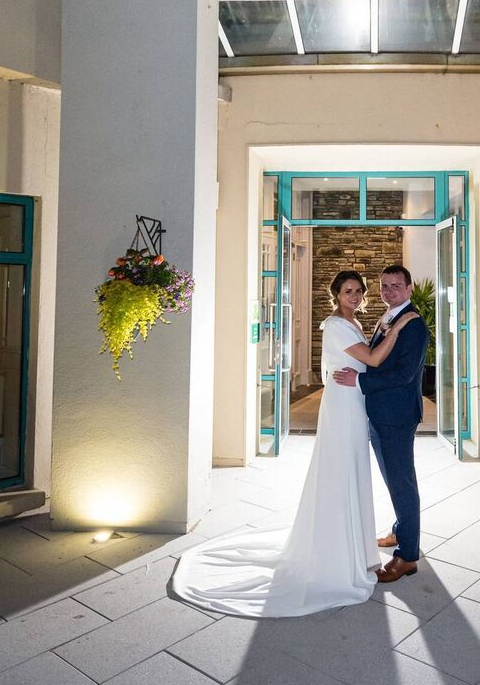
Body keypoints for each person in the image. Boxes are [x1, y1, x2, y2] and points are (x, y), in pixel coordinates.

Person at [171, 269, 418, 617]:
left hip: (354, 403)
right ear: (336, 295)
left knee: (352, 470)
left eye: (360, 291)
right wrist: (399, 326)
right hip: (345, 407)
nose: (356, 296)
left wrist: (388, 333)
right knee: (341, 469)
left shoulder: (355, 323)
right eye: (349, 291)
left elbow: (373, 365)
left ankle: (355, 542)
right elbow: (374, 360)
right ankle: (338, 548)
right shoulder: (337, 325)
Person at [333, 263, 429, 584]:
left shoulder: (413, 325)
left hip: (396, 416)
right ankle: (401, 531)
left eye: (396, 286)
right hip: (381, 414)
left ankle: (407, 556)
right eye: (384, 286)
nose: (389, 291)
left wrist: (359, 381)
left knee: (402, 482)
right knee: (394, 479)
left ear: (409, 288)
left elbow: (403, 374)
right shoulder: (389, 318)